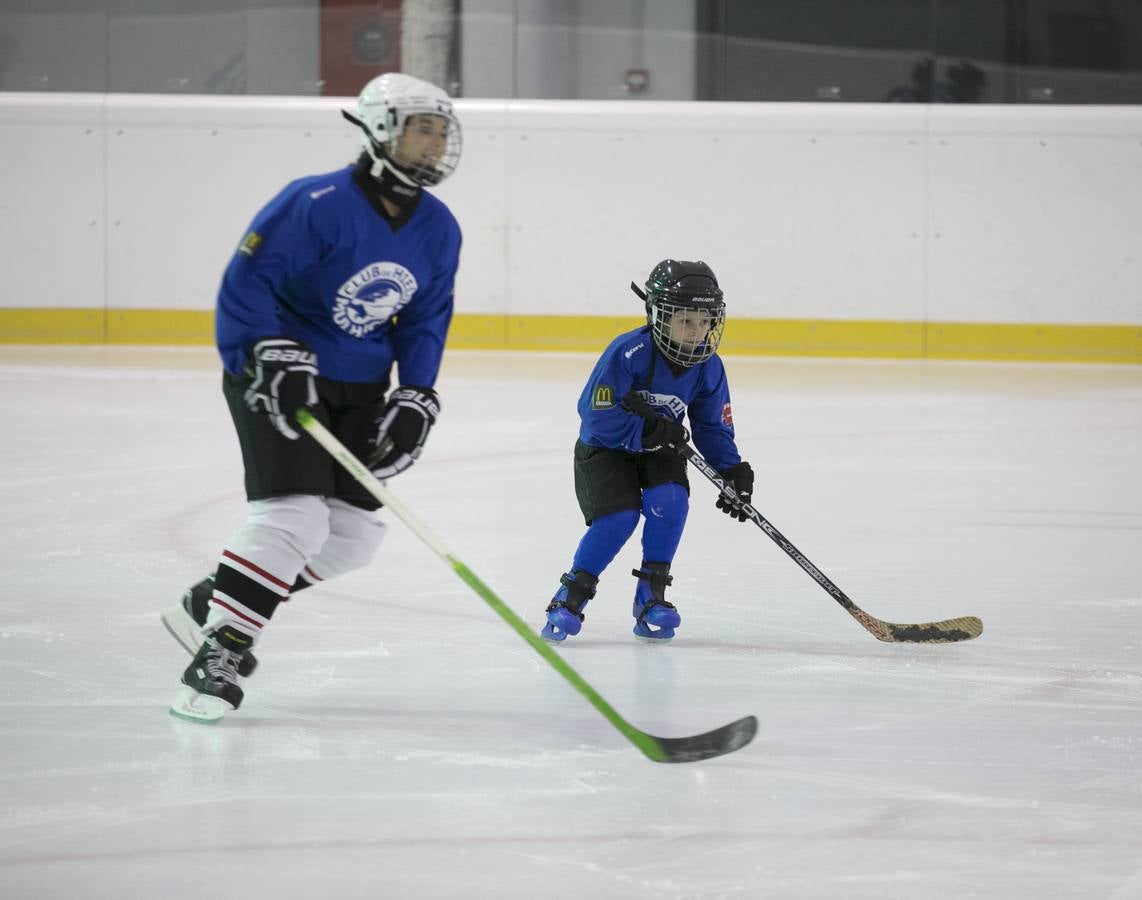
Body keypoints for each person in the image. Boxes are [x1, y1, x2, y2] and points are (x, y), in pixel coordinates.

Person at [163, 73, 464, 723]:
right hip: (276, 374)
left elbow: (424, 319)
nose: (436, 143)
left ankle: (215, 602)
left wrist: (415, 393)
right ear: (381, 129)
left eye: (442, 131)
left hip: (360, 388)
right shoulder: (315, 202)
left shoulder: (439, 229)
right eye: (423, 128)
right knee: (293, 518)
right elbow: (247, 282)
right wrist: (265, 353)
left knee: (352, 538)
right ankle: (222, 649)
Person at [539, 259, 755, 644]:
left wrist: (730, 469)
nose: (697, 332)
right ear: (658, 315)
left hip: (660, 447)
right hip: (606, 450)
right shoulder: (628, 351)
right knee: (619, 518)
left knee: (671, 502)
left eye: (705, 322)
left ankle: (651, 597)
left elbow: (710, 426)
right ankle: (570, 594)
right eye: (686, 320)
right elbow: (595, 415)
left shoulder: (709, 366)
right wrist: (648, 428)